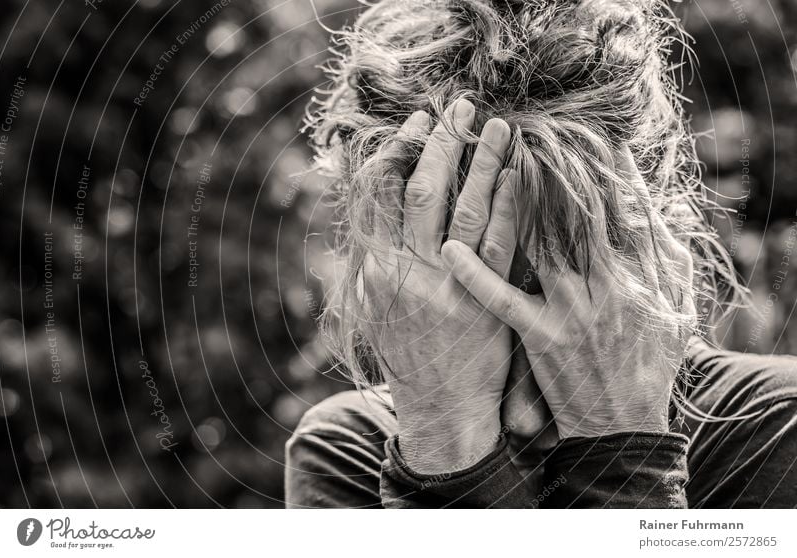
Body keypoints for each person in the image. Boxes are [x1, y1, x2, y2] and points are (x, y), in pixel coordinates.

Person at [284, 0, 797, 508]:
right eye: (473, 327)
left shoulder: (778, 427)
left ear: (660, 242)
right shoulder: (346, 455)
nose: (527, 418)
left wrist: (618, 435)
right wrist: (445, 435)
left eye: (571, 313)